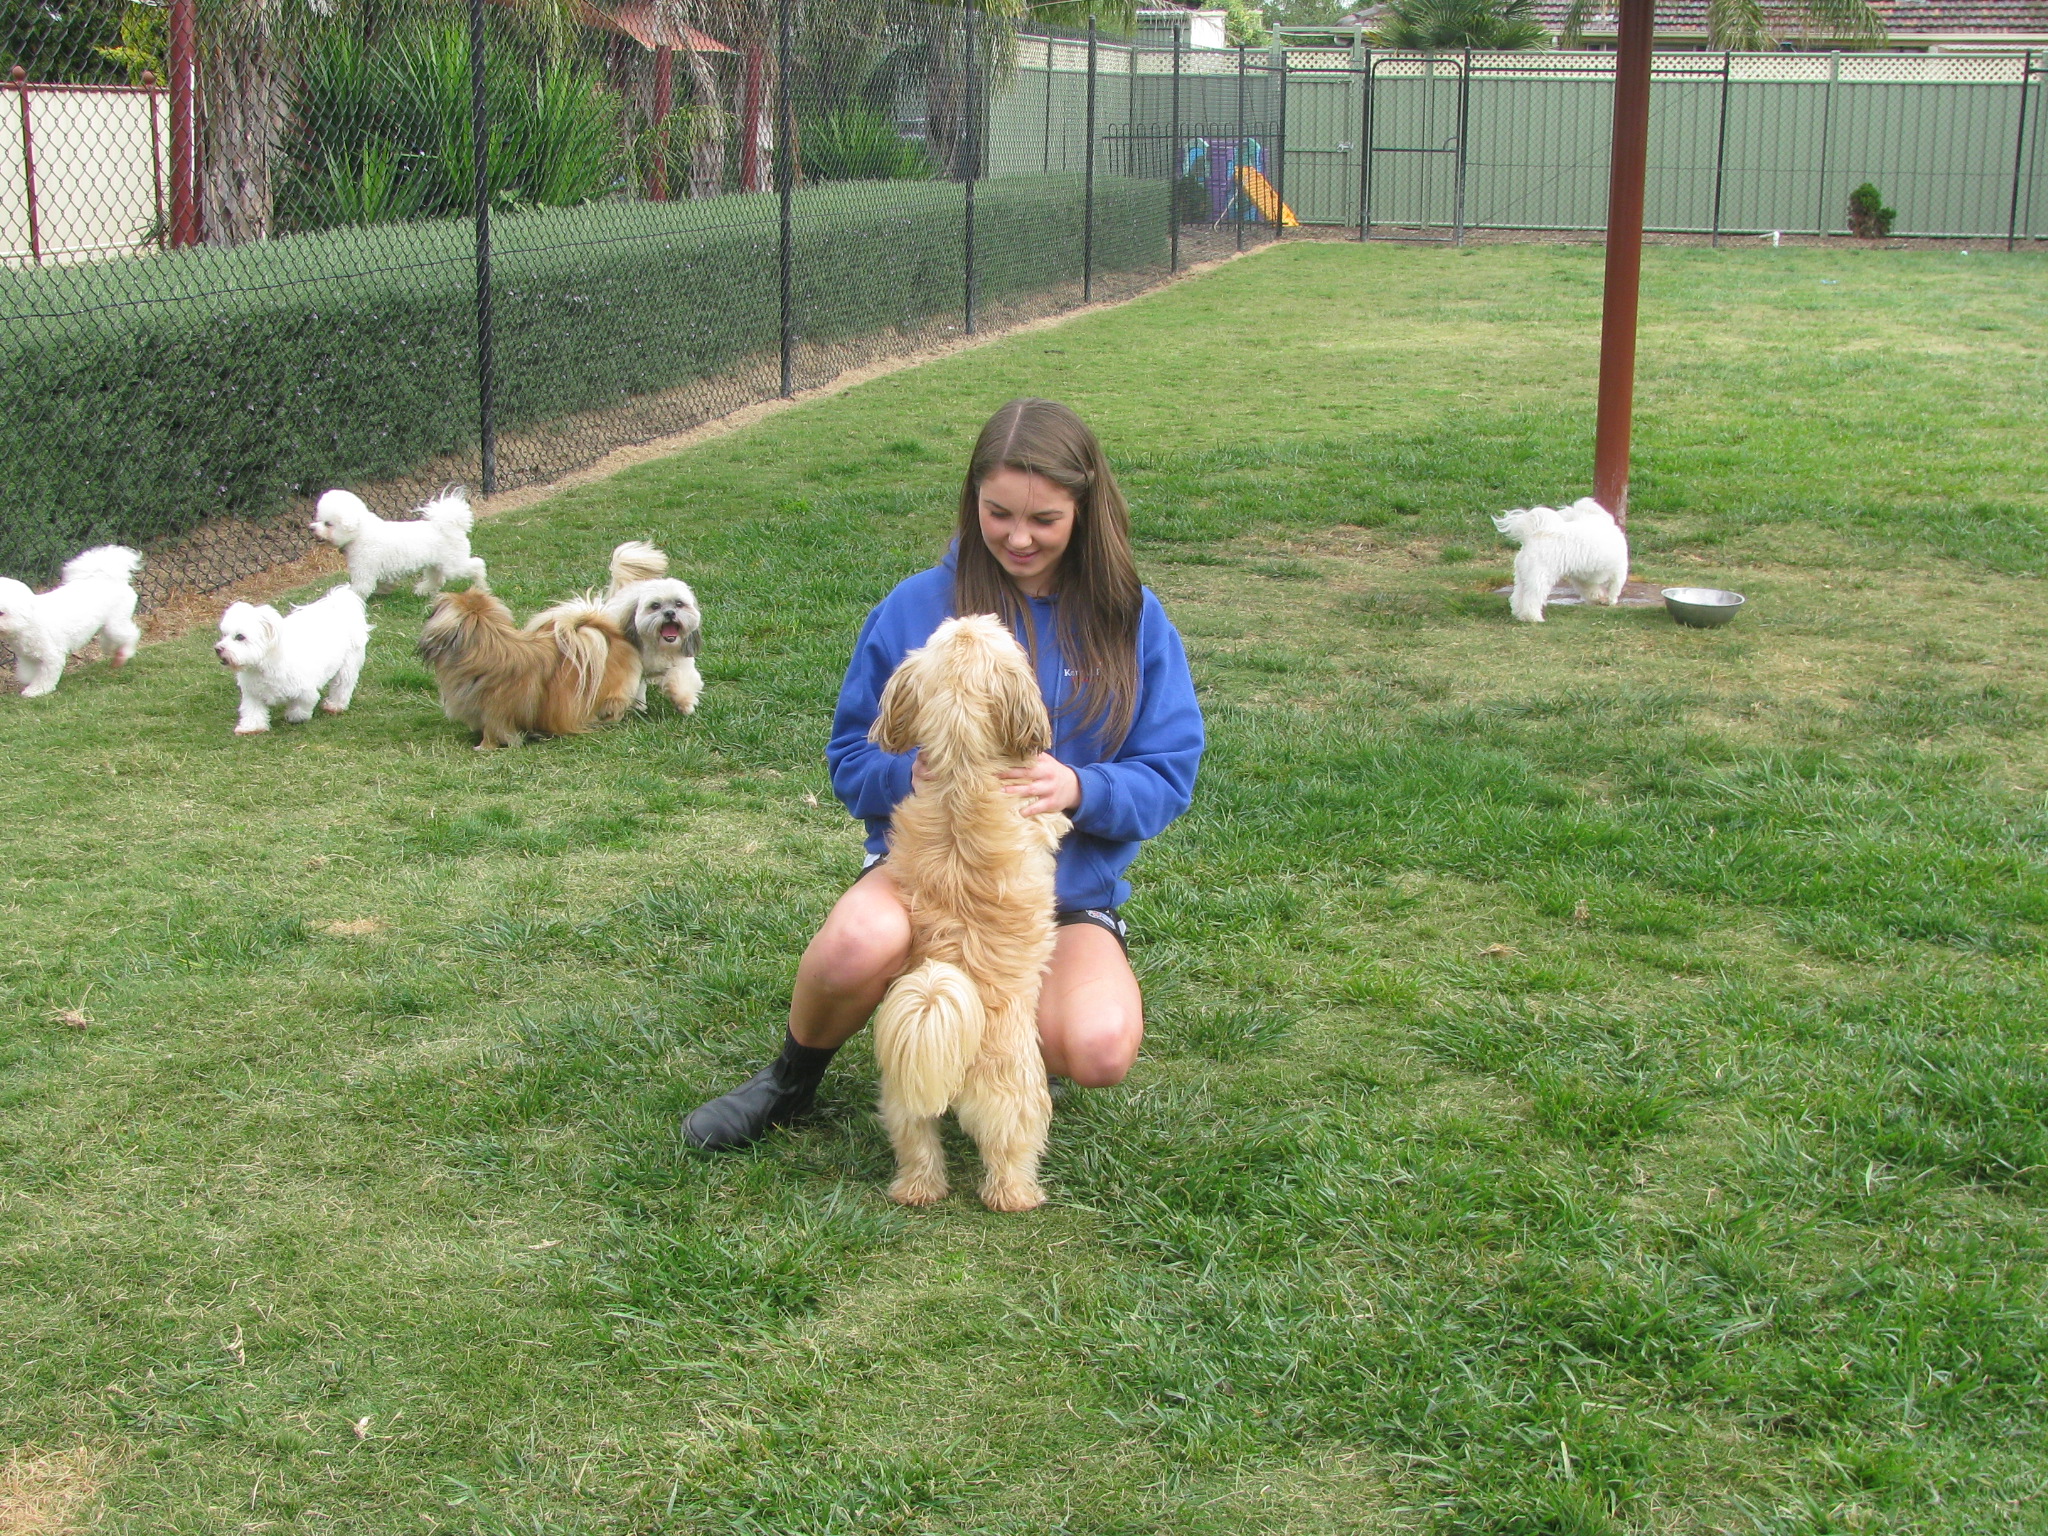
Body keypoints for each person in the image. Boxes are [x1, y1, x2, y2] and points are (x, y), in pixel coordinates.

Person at [682, 398, 1205, 1151]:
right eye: (998, 513)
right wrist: (914, 776)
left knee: (1098, 1047)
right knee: (856, 942)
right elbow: (850, 761)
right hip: (928, 880)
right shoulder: (915, 606)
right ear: (973, 501)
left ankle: (992, 1041)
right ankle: (792, 1079)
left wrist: (1081, 789)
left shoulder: (1130, 616)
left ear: (1086, 512)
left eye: (1045, 520)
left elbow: (1169, 771)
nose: (1018, 538)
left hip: (1057, 902)